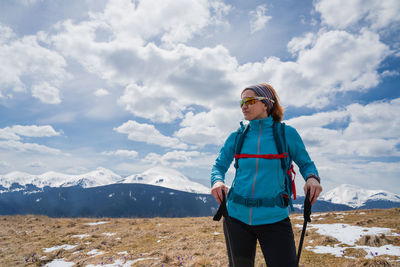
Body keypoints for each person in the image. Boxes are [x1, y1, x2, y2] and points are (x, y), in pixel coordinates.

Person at [210, 83, 322, 267]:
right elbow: (219, 165)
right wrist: (217, 181)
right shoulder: (237, 136)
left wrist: (311, 178)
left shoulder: (287, 134)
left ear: (267, 104)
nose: (244, 106)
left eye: (250, 100)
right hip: (236, 217)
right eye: (242, 102)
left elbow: (306, 163)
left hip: (274, 218)